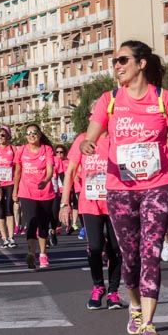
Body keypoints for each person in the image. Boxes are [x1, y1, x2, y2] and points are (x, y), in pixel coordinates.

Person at [80, 40, 168, 335]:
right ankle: (133, 304)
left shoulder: (164, 99)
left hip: (158, 185)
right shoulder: (108, 100)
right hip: (120, 189)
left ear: (141, 63)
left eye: (122, 60)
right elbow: (91, 135)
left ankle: (148, 323)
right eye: (114, 62)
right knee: (129, 257)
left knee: (151, 253)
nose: (116, 66)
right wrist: (88, 144)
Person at [61, 131, 123, 310]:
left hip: (115, 202)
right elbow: (71, 171)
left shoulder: (116, 137)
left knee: (115, 249)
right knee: (95, 247)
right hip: (90, 202)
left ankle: (113, 291)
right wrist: (65, 203)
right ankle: (98, 286)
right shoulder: (82, 139)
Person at [15, 124, 56, 269]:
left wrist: (45, 180)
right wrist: (15, 191)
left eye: (34, 133)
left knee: (43, 224)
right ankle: (32, 253)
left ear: (39, 134)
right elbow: (18, 171)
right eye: (28, 133)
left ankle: (43, 254)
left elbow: (50, 170)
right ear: (26, 136)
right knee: (31, 222)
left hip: (45, 192)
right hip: (27, 192)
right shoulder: (21, 150)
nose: (31, 135)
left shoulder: (47, 149)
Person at [0, 127, 18, 248]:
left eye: (3, 135)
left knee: (9, 209)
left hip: (10, 183)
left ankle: (11, 237)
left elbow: (17, 167)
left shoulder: (13, 149)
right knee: (0, 211)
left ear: (8, 136)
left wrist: (17, 185)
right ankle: (4, 238)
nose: (0, 137)